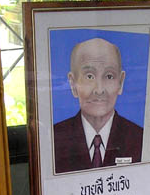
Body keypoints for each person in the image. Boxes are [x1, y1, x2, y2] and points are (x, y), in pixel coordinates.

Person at [53, 37, 143, 174]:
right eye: (89, 76)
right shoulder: (54, 140)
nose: (99, 90)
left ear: (121, 82)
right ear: (73, 84)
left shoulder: (140, 139)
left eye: (109, 76)